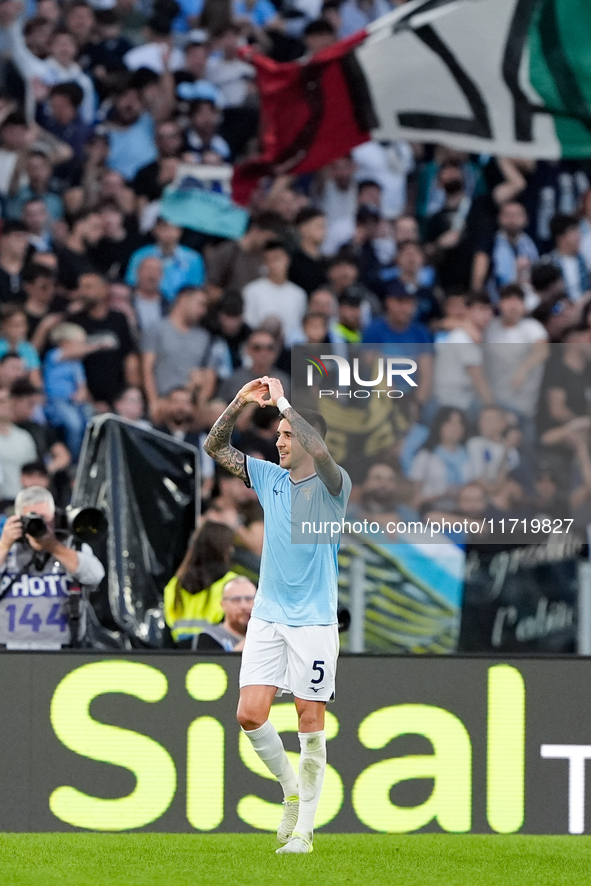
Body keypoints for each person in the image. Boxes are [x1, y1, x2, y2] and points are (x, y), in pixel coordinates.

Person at [204, 375, 352, 855]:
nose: (280, 441)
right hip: (268, 617)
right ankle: (291, 789)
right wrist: (242, 401)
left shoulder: (334, 486)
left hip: (313, 622)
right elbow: (214, 445)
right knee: (249, 715)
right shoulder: (268, 478)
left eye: (288, 435)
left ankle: (304, 833)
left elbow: (321, 453)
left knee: (309, 721)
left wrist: (285, 401)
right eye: (279, 435)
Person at [0, 485, 104, 648]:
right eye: (32, 518)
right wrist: (4, 545)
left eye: (45, 517)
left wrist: (53, 546)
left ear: (55, 517)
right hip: (9, 649)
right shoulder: (7, 550)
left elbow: (95, 576)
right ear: (19, 520)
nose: (40, 524)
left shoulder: (72, 548)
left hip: (62, 648)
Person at [163, 520, 239, 645]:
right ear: (227, 549)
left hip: (178, 654)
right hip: (217, 651)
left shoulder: (174, 584)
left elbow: (167, 627)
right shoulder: (234, 585)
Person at [194, 575, 256, 651]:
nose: (243, 606)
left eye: (249, 599)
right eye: (236, 600)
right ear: (223, 605)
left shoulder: (267, 635)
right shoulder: (210, 637)